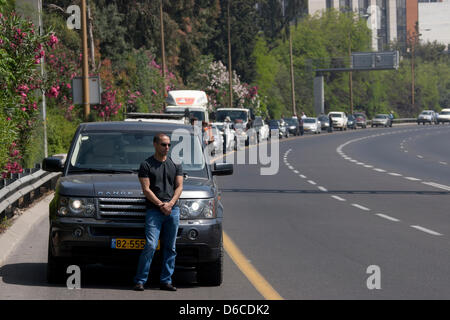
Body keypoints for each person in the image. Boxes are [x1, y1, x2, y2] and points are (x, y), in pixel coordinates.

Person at [133, 133, 184, 292]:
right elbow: (146, 189)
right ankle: (140, 280)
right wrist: (161, 204)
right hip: (154, 211)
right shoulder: (146, 165)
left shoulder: (175, 163)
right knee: (150, 245)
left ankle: (166, 281)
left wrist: (170, 204)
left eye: (168, 145)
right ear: (155, 144)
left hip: (172, 210)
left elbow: (179, 187)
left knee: (170, 247)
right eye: (163, 144)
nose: (167, 147)